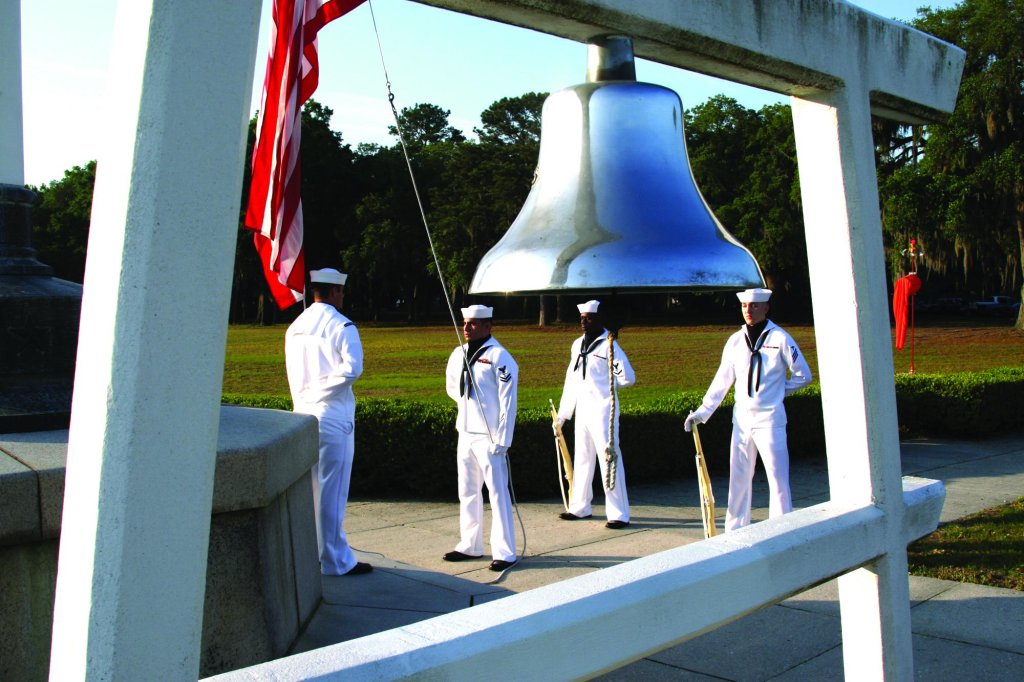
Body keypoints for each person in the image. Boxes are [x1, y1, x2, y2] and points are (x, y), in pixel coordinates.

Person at [684, 288, 812, 531]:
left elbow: (803, 375)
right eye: (745, 306)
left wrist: (776, 391)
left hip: (770, 420)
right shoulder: (735, 341)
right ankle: (734, 530)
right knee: (739, 478)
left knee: (777, 478)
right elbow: (721, 381)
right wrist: (702, 412)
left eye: (754, 305)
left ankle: (782, 530)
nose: (748, 310)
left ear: (766, 307)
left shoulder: (780, 338)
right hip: (742, 421)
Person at [285, 268, 371, 576]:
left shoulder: (296, 326)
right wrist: (319, 391)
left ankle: (314, 553)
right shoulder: (341, 325)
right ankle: (335, 560)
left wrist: (304, 396)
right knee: (332, 493)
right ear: (335, 292)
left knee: (311, 491)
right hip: (333, 416)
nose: (342, 297)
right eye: (342, 292)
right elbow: (353, 369)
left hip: (302, 414)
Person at [443, 304, 519, 572]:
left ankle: (505, 551)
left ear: (488, 326)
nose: (466, 327)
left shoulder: (499, 356)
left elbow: (508, 400)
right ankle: (470, 544)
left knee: (497, 493)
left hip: (490, 436)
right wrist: (468, 411)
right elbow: (452, 387)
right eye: (465, 322)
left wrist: (503, 438)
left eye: (473, 323)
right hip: (465, 431)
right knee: (467, 491)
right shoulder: (458, 353)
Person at [555, 300, 636, 529]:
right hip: (583, 410)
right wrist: (563, 414)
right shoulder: (577, 345)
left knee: (609, 460)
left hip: (603, 410)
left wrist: (611, 378)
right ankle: (580, 506)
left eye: (588, 318)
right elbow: (571, 380)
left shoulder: (609, 345)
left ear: (599, 320)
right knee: (582, 459)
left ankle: (619, 513)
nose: (584, 322)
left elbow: (628, 378)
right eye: (582, 318)